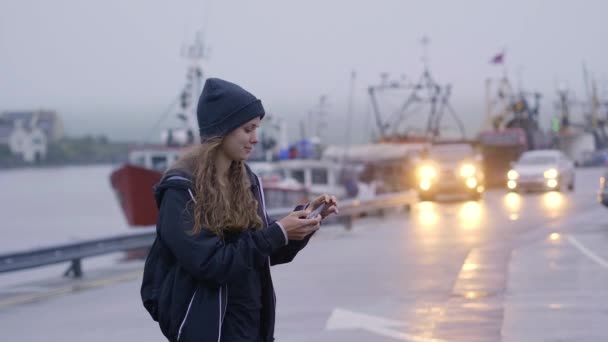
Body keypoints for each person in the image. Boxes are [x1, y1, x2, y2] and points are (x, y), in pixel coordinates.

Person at [145, 78, 338, 342]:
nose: (255, 139)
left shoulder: (247, 180)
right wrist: (278, 232)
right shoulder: (182, 189)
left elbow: (261, 254)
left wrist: (304, 221)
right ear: (222, 130)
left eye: (257, 129)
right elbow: (211, 264)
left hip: (253, 326)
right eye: (248, 129)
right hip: (210, 331)